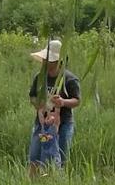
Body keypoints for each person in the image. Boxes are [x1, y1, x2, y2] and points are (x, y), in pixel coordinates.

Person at [28, 39, 81, 175]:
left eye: (49, 59)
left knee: (59, 158)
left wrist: (63, 102)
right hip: (42, 124)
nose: (45, 62)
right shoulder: (40, 77)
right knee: (35, 156)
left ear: (58, 61)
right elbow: (32, 96)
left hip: (63, 124)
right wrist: (38, 103)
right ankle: (32, 184)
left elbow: (77, 100)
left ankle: (55, 183)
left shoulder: (70, 79)